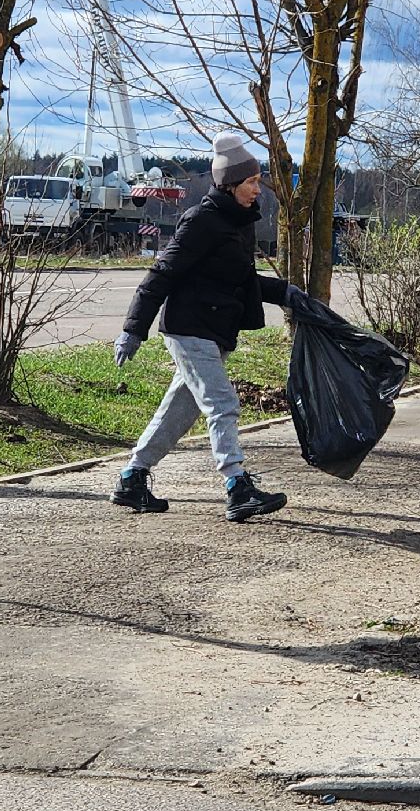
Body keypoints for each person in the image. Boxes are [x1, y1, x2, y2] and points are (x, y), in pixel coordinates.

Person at [111, 132, 299, 522]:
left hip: (215, 330)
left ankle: (132, 478)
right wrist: (134, 329)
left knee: (180, 411)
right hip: (190, 328)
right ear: (229, 185)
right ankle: (237, 485)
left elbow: (240, 280)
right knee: (222, 403)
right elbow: (161, 273)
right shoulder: (201, 221)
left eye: (258, 180)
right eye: (250, 182)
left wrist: (287, 293)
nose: (257, 189)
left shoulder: (238, 222)